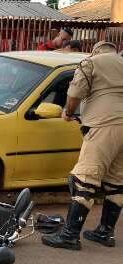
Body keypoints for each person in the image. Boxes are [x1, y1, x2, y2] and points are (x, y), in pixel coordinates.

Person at [42, 41, 123, 250]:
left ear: (96, 51)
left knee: (84, 179)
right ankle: (105, 232)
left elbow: (75, 93)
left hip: (104, 126)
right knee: (116, 182)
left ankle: (69, 235)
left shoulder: (91, 63)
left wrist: (68, 113)